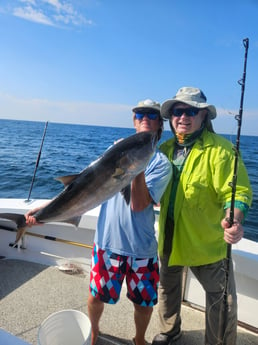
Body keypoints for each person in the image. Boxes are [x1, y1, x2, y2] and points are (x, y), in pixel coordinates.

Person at [151, 87, 252, 345]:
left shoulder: (223, 150)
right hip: (170, 236)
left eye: (190, 111)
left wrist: (235, 219)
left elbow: (238, 193)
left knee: (222, 299)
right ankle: (169, 331)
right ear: (171, 116)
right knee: (167, 289)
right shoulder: (163, 149)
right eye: (177, 111)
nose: (182, 117)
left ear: (203, 116)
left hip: (207, 242)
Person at [86, 99, 172, 345]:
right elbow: (85, 184)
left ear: (159, 125)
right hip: (107, 243)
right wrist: (44, 210)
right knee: (96, 296)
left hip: (141, 250)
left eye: (152, 115)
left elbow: (138, 204)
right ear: (134, 121)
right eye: (140, 114)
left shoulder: (162, 164)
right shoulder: (115, 149)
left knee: (143, 303)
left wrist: (138, 164)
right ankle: (94, 331)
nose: (146, 117)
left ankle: (139, 338)